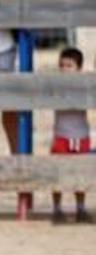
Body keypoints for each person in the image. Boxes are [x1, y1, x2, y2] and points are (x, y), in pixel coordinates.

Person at [50, 47, 91, 223]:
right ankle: (57, 208)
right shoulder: (56, 86)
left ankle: (80, 208)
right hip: (61, 135)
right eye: (62, 65)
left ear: (79, 68)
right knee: (57, 173)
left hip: (81, 136)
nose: (65, 69)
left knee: (80, 174)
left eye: (69, 65)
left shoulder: (85, 87)